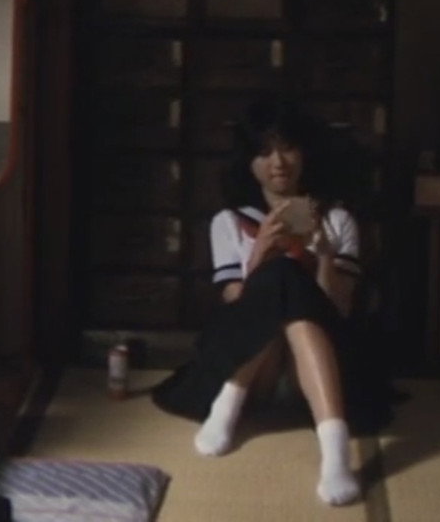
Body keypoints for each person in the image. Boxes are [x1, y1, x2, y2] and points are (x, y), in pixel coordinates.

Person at [151, 96, 385, 506]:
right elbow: (235, 302)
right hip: (256, 366)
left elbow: (339, 310)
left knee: (288, 281)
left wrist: (323, 256)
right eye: (263, 151)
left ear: (305, 153)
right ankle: (228, 406)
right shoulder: (228, 222)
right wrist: (259, 251)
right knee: (276, 278)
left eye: (287, 148)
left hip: (314, 365)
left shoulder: (337, 220)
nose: (278, 162)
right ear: (249, 162)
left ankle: (335, 455)